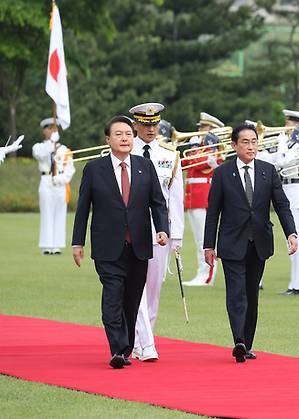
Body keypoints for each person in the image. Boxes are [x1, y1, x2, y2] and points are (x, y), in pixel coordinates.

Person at [71, 115, 169, 369]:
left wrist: (162, 229)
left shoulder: (144, 167)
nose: (125, 138)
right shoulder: (94, 169)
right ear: (108, 139)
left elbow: (157, 202)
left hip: (138, 246)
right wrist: (77, 242)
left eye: (128, 134)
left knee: (132, 299)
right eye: (119, 134)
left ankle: (125, 348)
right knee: (113, 296)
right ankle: (117, 348)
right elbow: (83, 208)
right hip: (107, 246)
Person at [203, 123, 298, 363]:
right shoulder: (223, 173)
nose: (251, 146)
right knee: (236, 293)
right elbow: (213, 211)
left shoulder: (268, 170)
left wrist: (292, 233)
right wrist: (208, 245)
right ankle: (238, 340)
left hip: (259, 241)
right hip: (232, 242)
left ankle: (247, 342)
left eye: (254, 141)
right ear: (234, 145)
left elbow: (281, 205)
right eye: (245, 142)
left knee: (251, 294)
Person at [129, 102, 184, 361]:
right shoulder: (126, 152)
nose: (151, 129)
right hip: (134, 229)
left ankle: (145, 336)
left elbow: (175, 198)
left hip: (160, 232)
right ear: (136, 125)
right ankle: (143, 341)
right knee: (134, 287)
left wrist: (178, 236)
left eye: (154, 124)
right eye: (145, 124)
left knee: (154, 289)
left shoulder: (169, 155)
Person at [275, 109, 299, 295]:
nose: (286, 126)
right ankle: (296, 283)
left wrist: (281, 145)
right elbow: (275, 161)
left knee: (297, 239)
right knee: (291, 240)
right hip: (288, 191)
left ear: (297, 126)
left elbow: (283, 162)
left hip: (297, 193)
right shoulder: (290, 145)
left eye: (289, 123)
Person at [182, 112, 224, 287]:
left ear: (212, 129)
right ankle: (201, 272)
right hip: (193, 196)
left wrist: (194, 154)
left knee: (205, 240)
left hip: (204, 195)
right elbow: (184, 163)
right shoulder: (198, 146)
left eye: (203, 127)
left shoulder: (215, 147)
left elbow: (202, 163)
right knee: (199, 238)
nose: (199, 130)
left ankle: (207, 275)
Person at [32, 117, 75, 255]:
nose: (51, 131)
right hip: (46, 181)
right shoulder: (39, 147)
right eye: (48, 128)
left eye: (54, 128)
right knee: (47, 213)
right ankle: (46, 245)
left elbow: (70, 168)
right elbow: (41, 154)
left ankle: (57, 245)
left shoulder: (65, 149)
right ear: (44, 131)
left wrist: (62, 178)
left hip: (60, 184)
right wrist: (51, 142)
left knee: (60, 213)